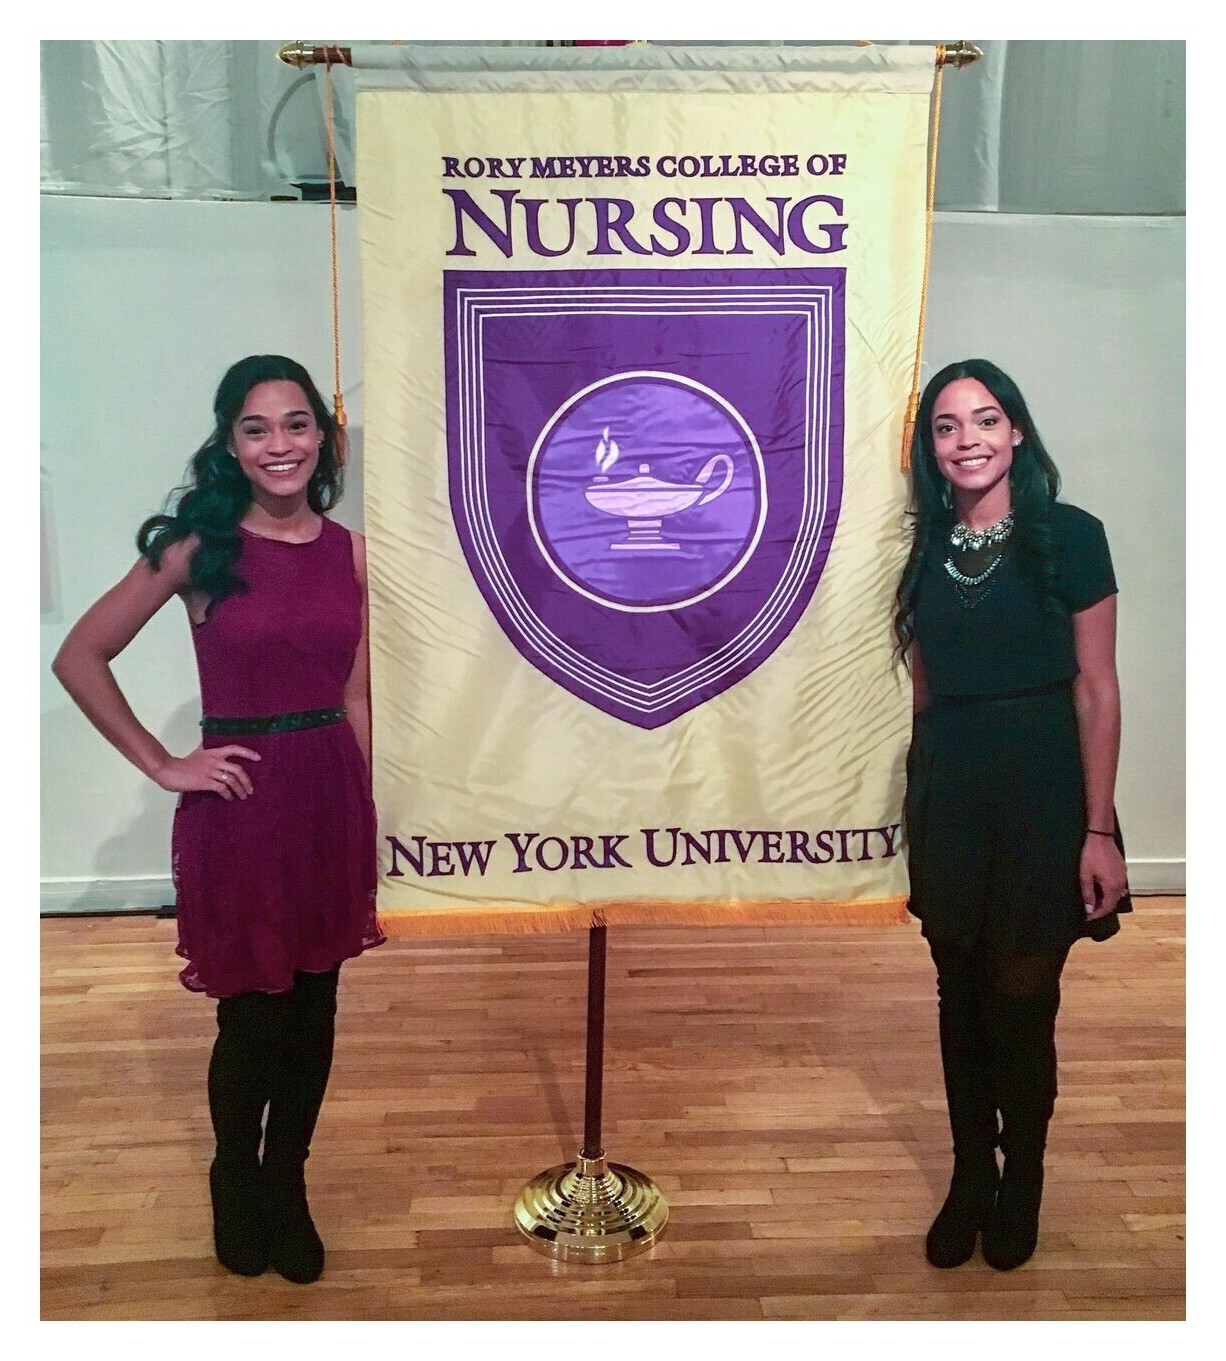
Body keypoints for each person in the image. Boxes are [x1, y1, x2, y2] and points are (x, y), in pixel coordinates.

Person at [52, 355, 386, 1284]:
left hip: (326, 797)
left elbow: (354, 690)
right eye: (256, 427)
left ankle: (289, 1181)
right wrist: (164, 762)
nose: (279, 444)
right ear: (229, 443)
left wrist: (368, 801)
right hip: (241, 805)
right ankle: (233, 1177)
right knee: (252, 1018)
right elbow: (81, 654)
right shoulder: (198, 549)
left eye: (295, 424)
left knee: (315, 1006)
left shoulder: (352, 551)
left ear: (323, 435)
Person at [894, 358, 1129, 1272]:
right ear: (931, 448)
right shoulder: (919, 549)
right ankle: (969, 1177)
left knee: (1022, 1000)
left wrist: (1099, 828)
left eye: (985, 420)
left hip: (1044, 790)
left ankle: (1021, 1175)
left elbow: (1098, 691)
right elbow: (920, 692)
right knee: (959, 998)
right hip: (950, 789)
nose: (968, 440)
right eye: (947, 426)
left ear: (1018, 432)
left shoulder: (1072, 536)